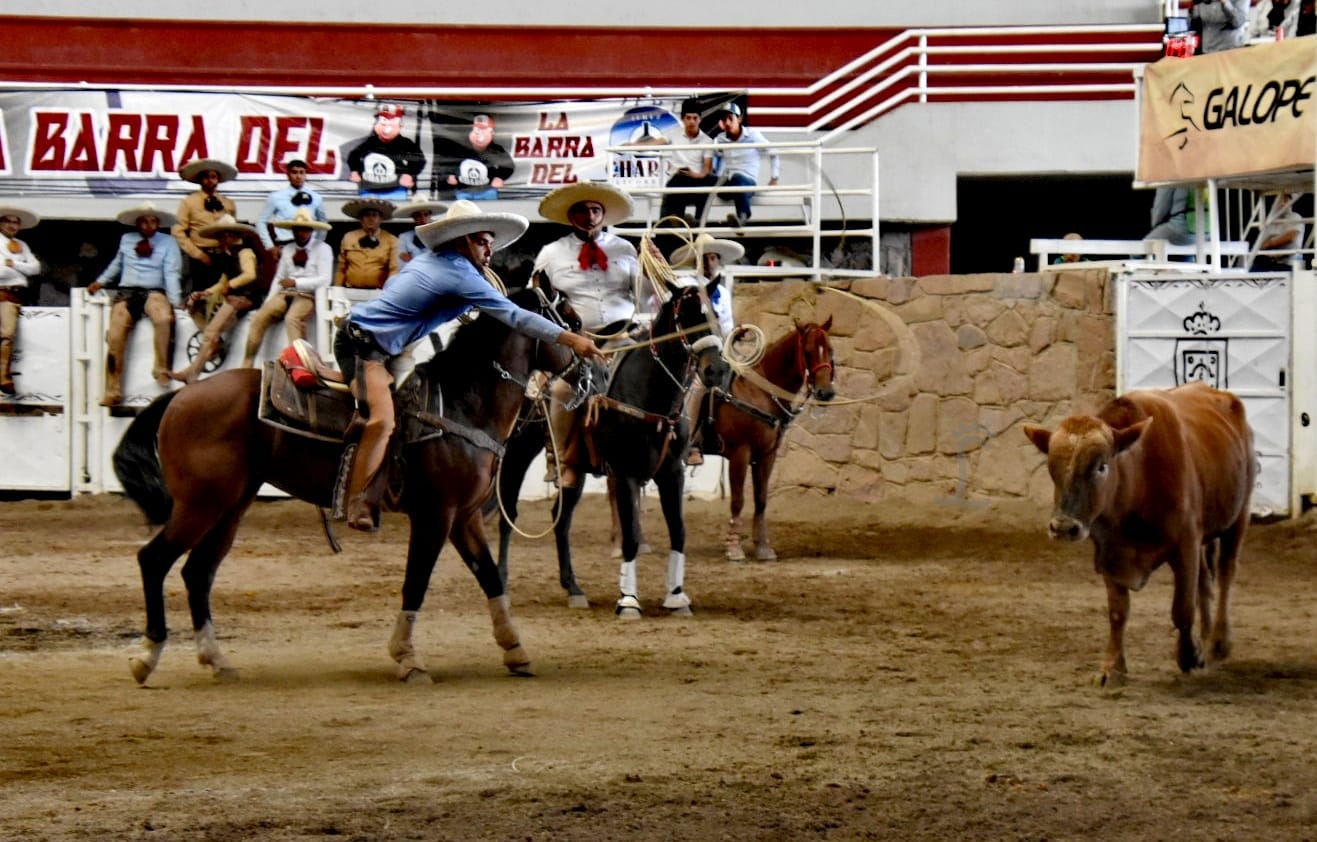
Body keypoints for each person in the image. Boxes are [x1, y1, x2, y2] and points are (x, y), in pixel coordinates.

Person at [335, 200, 605, 532]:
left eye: (490, 242)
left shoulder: (438, 262)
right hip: (362, 348)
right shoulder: (458, 273)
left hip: (389, 346)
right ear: (461, 240)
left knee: (411, 408)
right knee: (382, 419)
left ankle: (400, 480)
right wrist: (571, 339)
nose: (489, 249)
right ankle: (360, 499)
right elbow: (515, 316)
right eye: (481, 241)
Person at [532, 181, 642, 488]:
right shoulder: (551, 253)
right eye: (582, 210)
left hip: (624, 336)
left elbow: (644, 298)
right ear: (571, 216)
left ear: (604, 215)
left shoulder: (625, 249)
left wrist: (650, 267)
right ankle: (561, 458)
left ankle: (667, 445)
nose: (590, 216)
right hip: (579, 340)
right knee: (563, 391)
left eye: (596, 210)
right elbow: (539, 298)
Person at [87, 201, 183, 404]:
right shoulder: (127, 239)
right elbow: (118, 263)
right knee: (114, 335)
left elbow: (171, 272)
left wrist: (176, 299)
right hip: (127, 291)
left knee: (164, 319)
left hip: (154, 291)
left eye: (153, 221)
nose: (149, 225)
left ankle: (161, 368)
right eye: (144, 221)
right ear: (137, 223)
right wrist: (101, 281)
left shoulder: (168, 242)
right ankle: (113, 389)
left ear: (158, 223)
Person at [669, 233, 743, 466]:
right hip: (694, 350)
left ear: (719, 261)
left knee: (744, 379)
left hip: (719, 348)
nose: (709, 262)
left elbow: (727, 326)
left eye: (713, 257)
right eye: (704, 258)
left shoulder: (722, 292)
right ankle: (691, 441)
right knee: (699, 385)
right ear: (696, 261)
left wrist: (735, 334)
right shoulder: (685, 287)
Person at [171, 215, 266, 384]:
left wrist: (231, 284)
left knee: (212, 330)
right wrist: (204, 293)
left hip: (246, 297)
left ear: (233, 236)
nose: (224, 239)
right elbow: (222, 282)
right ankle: (212, 345)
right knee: (195, 307)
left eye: (227, 235)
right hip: (233, 296)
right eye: (222, 236)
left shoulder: (245, 252)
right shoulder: (228, 257)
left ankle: (194, 370)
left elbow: (249, 274)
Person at [240, 209, 334, 367]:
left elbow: (325, 279)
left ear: (311, 230)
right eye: (297, 229)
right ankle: (246, 364)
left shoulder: (323, 249)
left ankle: (300, 365)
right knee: (258, 318)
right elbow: (279, 277)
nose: (301, 233)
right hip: (286, 292)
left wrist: (297, 283)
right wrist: (268, 302)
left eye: (305, 229)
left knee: (293, 319)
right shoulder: (289, 249)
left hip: (308, 294)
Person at [172, 158, 238, 299]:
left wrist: (231, 250)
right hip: (201, 256)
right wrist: (198, 254)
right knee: (200, 295)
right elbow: (178, 230)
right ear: (200, 180)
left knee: (224, 293)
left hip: (224, 255)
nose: (209, 180)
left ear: (218, 179)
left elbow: (234, 229)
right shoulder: (189, 202)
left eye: (213, 177)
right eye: (206, 177)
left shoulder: (228, 203)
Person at [712, 103, 780, 228]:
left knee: (738, 179)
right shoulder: (720, 139)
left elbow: (773, 151)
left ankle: (742, 216)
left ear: (739, 119)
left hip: (747, 182)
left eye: (730, 118)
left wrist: (774, 177)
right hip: (729, 184)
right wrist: (716, 173)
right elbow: (715, 156)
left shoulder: (753, 135)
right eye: (724, 119)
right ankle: (693, 219)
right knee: (710, 180)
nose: (727, 123)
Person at [0, 205, 41, 395]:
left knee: (7, 335)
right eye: (8, 221)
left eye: (15, 222)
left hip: (13, 294)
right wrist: (16, 269)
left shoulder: (22, 246)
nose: (12, 225)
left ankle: (3, 376)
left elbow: (35, 268)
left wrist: (14, 264)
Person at [346, 104, 427, 200]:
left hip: (395, 190)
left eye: (391, 124)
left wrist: (409, 174)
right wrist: (355, 171)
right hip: (369, 190)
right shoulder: (370, 142)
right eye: (383, 123)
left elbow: (419, 160)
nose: (386, 128)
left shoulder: (405, 143)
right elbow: (353, 156)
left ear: (400, 125)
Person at [256, 159, 328, 261]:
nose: (298, 176)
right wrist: (270, 246)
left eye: (301, 172)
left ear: (305, 175)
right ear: (288, 175)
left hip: (309, 246)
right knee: (285, 276)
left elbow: (323, 222)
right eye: (294, 172)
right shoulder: (276, 197)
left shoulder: (316, 197)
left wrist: (318, 244)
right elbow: (261, 222)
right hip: (285, 245)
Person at [659, 100, 717, 225]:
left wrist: (695, 174)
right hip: (679, 180)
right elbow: (655, 142)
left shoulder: (707, 141)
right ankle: (675, 224)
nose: (692, 121)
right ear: (682, 119)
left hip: (698, 181)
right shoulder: (674, 135)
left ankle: (696, 223)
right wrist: (632, 145)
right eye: (688, 118)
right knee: (675, 184)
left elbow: (707, 169)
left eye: (695, 118)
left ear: (700, 119)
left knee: (708, 182)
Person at [435, 114, 516, 200]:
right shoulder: (459, 148)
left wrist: (499, 177)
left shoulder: (495, 150)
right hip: (463, 191)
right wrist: (449, 175)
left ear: (492, 133)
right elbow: (448, 163)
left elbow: (508, 166)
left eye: (484, 130)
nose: (479, 134)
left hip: (486, 191)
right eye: (476, 130)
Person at [335, 199, 400, 290]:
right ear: (361, 219)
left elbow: (394, 270)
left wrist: (389, 292)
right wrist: (337, 290)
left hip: (378, 292)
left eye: (374, 215)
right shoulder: (349, 237)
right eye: (367, 215)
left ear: (381, 219)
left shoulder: (392, 240)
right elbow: (341, 268)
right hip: (350, 290)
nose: (371, 218)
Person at [1252, 193, 1306, 270]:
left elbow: (1291, 236)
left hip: (1288, 264)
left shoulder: (1295, 216)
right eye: (1280, 200)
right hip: (1270, 262)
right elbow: (1261, 243)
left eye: (1285, 200)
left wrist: (1270, 243)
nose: (1282, 203)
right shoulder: (1271, 221)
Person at [1184, 0, 1250, 53]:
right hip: (1206, 52)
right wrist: (1191, 7)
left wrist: (1225, 3)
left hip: (1230, 51)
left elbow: (1238, 22)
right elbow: (1190, 26)